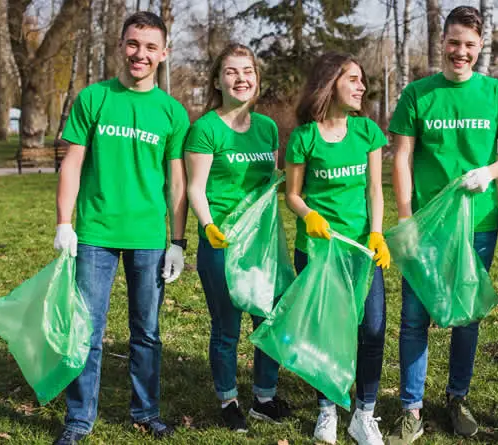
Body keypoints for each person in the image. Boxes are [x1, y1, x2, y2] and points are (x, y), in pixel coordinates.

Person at [386, 5, 498, 444]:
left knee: (466, 316)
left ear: (480, 46)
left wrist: (490, 172)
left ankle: (456, 398)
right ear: (441, 43)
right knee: (414, 317)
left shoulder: (496, 93)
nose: (460, 52)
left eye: (469, 45)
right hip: (427, 225)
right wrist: (406, 217)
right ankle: (411, 408)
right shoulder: (417, 94)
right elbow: (403, 156)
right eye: (453, 43)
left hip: (478, 222)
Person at [52, 11, 189, 445]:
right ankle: (78, 420)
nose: (140, 54)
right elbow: (72, 163)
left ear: (164, 54)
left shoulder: (172, 112)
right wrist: (63, 223)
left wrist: (178, 242)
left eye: (150, 47)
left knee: (146, 333)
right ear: (120, 45)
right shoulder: (93, 98)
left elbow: (178, 182)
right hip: (94, 234)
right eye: (133, 44)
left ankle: (146, 412)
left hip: (149, 237)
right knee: (86, 332)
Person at [184, 43, 292, 433]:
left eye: (247, 71)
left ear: (256, 79)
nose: (241, 78)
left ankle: (264, 397)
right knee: (227, 327)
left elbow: (271, 182)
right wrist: (208, 224)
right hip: (222, 242)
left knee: (268, 318)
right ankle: (228, 399)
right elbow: (196, 187)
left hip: (262, 245)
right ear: (217, 80)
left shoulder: (266, 129)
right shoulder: (206, 129)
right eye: (231, 71)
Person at [284, 52, 391, 445]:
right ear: (330, 83)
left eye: (362, 80)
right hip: (318, 250)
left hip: (361, 251)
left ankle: (364, 414)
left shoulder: (366, 132)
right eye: (353, 79)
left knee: (373, 328)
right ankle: (327, 410)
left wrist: (377, 234)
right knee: (326, 332)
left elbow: (376, 190)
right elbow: (292, 194)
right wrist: (308, 213)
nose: (361, 86)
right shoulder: (304, 137)